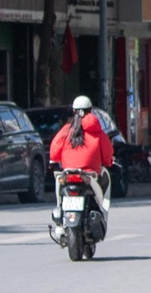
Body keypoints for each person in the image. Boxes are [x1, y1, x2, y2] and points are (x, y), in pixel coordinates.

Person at [48, 95, 114, 226]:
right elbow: (107, 156)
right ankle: (102, 214)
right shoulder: (98, 132)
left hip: (68, 173)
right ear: (90, 110)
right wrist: (108, 162)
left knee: (58, 188)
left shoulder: (66, 130)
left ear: (74, 111)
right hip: (90, 176)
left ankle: (60, 215)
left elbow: (54, 153)